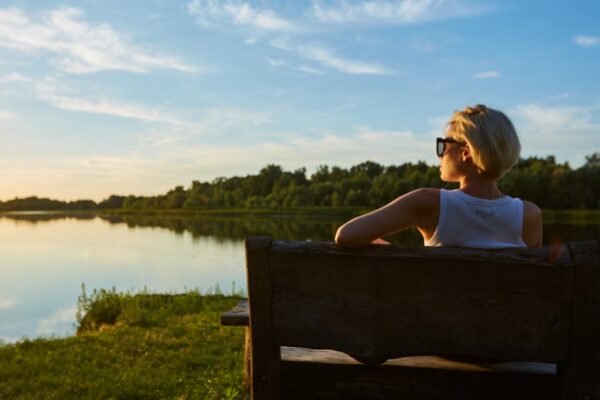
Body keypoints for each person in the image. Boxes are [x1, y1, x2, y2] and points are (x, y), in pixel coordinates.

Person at [335, 104, 543, 249]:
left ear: (465, 152)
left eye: (443, 145)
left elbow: (346, 236)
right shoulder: (529, 216)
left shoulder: (428, 202)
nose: (440, 154)